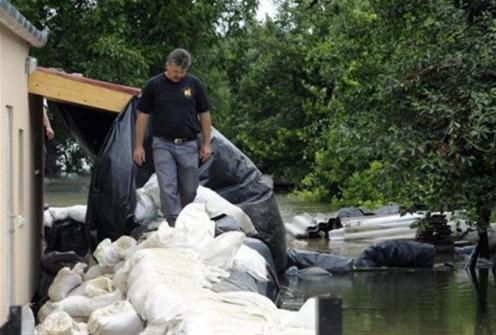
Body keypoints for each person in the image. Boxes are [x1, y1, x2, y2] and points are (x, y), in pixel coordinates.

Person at [133, 48, 213, 227]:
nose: (178, 76)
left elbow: (205, 114)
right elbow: (143, 116)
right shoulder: (154, 85)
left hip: (189, 143)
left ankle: (186, 218)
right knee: (167, 185)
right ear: (167, 65)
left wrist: (207, 143)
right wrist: (138, 146)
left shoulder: (194, 84)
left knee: (189, 188)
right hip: (162, 143)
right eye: (175, 71)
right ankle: (173, 222)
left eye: (182, 72)